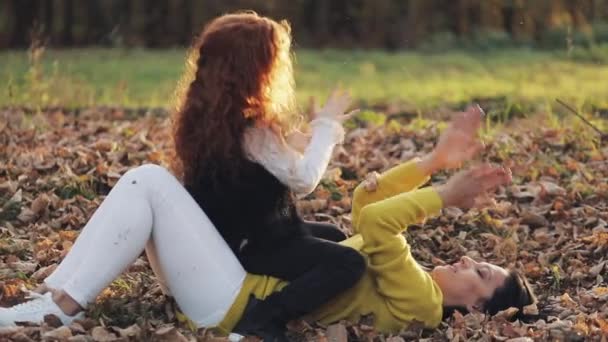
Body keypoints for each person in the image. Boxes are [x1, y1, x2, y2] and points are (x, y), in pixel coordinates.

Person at [0, 108, 535, 339]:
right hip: (222, 282)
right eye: (481, 262)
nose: (469, 261)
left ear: (475, 311)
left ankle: (59, 307)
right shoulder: (408, 284)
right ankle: (58, 298)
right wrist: (433, 165)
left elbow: (375, 222)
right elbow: (364, 203)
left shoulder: (421, 301)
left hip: (227, 300)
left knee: (147, 180)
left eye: (482, 273)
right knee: (148, 183)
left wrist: (442, 196)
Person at [170, 12, 365, 337]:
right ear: (256, 69)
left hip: (234, 234)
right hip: (259, 244)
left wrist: (299, 140)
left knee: (333, 234)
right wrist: (327, 128)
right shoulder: (254, 130)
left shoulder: (210, 119)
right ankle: (265, 316)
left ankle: (302, 302)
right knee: (348, 263)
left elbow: (254, 165)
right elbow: (303, 180)